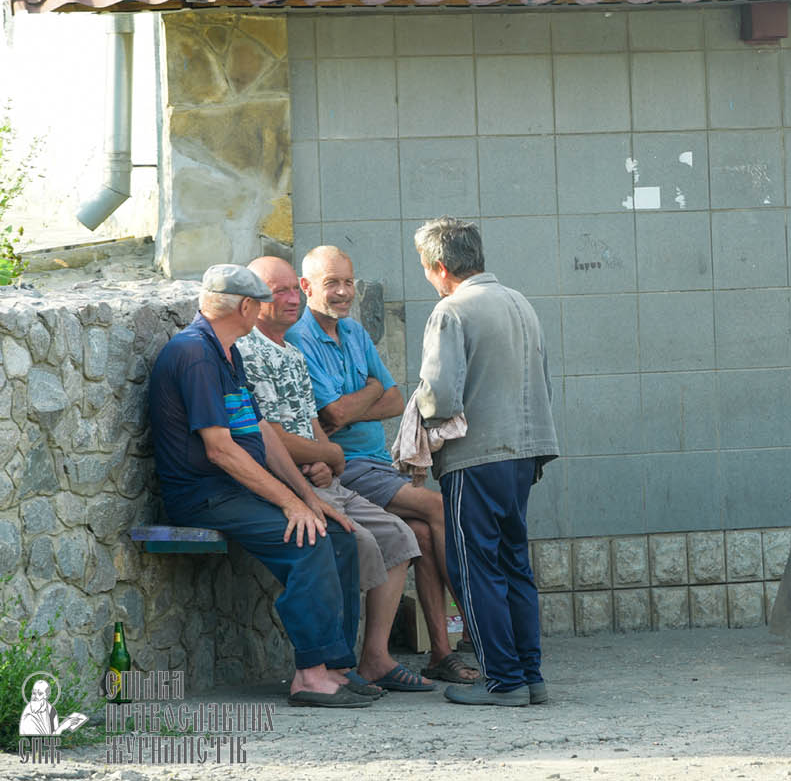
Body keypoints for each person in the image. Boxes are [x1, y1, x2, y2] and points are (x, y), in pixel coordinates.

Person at [239, 256, 465, 691]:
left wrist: (338, 434)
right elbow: (320, 419)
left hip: (347, 469)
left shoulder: (330, 339)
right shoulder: (281, 343)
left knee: (410, 535)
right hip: (333, 472)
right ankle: (474, 628)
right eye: (331, 283)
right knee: (426, 511)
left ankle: (404, 655)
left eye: (349, 282)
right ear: (307, 287)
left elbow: (394, 400)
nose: (343, 292)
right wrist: (353, 418)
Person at [148, 264, 369, 709]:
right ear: (246, 306)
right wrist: (291, 506)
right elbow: (220, 451)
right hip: (205, 494)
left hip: (235, 489)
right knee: (309, 541)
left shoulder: (228, 351)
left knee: (339, 535)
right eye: (262, 301)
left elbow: (261, 433)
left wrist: (310, 499)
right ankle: (309, 675)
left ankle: (335, 667)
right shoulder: (194, 354)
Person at [412, 217, 558, 707]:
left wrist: (418, 419)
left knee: (475, 567)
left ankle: (504, 681)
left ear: (439, 266)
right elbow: (543, 380)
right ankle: (529, 676)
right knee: (515, 562)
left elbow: (439, 398)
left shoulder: (451, 311)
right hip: (526, 449)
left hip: (476, 456)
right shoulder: (520, 302)